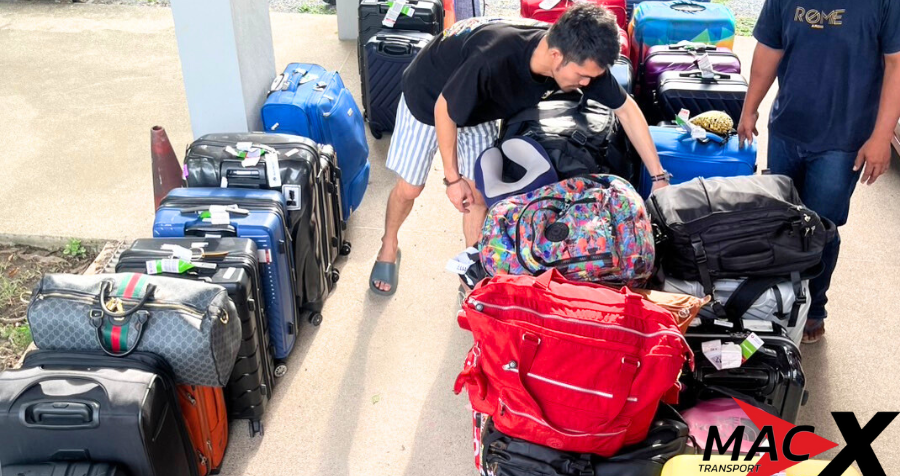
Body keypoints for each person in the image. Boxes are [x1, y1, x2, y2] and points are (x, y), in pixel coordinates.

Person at [369, 6, 670, 296]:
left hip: (479, 107)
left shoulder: (577, 56)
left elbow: (626, 109)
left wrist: (658, 177)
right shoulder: (494, 57)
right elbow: (445, 110)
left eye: (591, 77)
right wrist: (452, 178)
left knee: (477, 197)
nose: (586, 84)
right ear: (556, 56)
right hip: (430, 97)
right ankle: (388, 244)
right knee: (410, 188)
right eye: (582, 76)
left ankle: (474, 275)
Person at [738, 0, 900, 343]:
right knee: (780, 221)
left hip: (843, 141)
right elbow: (769, 48)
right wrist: (749, 108)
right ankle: (776, 302)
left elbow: (896, 63)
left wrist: (882, 135)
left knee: (820, 228)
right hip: (787, 129)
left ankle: (813, 307)